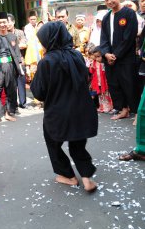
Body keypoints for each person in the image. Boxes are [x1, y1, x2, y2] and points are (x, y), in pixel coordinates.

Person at [30, 21, 98, 192]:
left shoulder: (47, 62)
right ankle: (86, 177)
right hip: (82, 109)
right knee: (77, 144)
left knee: (53, 143)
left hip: (58, 113)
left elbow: (38, 92)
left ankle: (67, 176)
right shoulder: (77, 55)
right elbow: (86, 78)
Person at [100, 0, 140, 120]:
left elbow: (129, 37)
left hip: (125, 58)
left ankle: (137, 113)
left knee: (130, 84)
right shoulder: (106, 17)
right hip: (109, 59)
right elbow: (104, 39)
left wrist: (115, 55)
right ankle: (123, 109)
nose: (109, 1)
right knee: (114, 85)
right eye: (107, 0)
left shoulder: (129, 13)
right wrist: (106, 53)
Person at [0, 12, 23, 125]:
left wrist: (20, 68)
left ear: (8, 23)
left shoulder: (13, 37)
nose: (3, 24)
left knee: (11, 90)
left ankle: (8, 113)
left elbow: (17, 54)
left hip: (10, 66)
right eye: (0, 22)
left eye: (4, 22)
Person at [7, 13, 28, 109]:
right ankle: (13, 104)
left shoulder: (19, 32)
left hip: (20, 60)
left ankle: (23, 103)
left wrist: (12, 48)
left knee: (21, 82)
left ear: (13, 22)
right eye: (5, 22)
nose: (7, 24)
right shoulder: (4, 34)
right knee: (11, 84)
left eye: (9, 22)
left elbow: (24, 44)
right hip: (9, 62)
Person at [89, 47, 113, 113]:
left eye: (99, 56)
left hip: (104, 81)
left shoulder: (104, 63)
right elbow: (91, 72)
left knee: (106, 94)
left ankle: (108, 107)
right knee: (100, 95)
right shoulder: (94, 63)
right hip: (97, 81)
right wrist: (91, 66)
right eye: (96, 57)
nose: (97, 58)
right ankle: (102, 107)